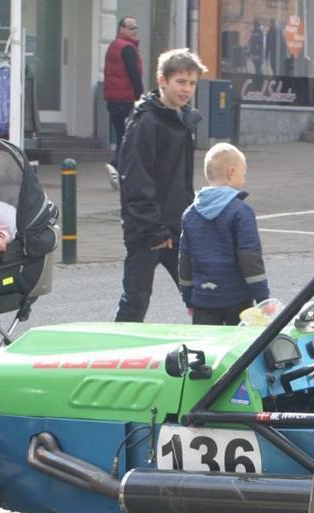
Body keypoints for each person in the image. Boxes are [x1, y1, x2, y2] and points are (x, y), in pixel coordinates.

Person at [113, 48, 206, 323]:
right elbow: (136, 179)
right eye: (180, 81)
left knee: (200, 295)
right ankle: (116, 355)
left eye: (191, 83)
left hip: (178, 226)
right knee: (135, 300)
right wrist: (154, 230)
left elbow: (179, 180)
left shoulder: (182, 120)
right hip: (148, 230)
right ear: (162, 80)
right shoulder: (146, 123)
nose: (186, 89)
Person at [178, 143, 269, 326]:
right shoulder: (242, 212)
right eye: (243, 173)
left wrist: (188, 297)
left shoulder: (190, 214)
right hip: (238, 299)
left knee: (205, 349)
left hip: (203, 299)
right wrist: (262, 299)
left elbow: (185, 261)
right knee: (239, 348)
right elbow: (250, 258)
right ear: (231, 172)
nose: (244, 178)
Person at [103, 16, 144, 190]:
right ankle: (116, 166)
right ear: (121, 29)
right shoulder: (127, 48)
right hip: (125, 100)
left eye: (136, 27)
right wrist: (140, 95)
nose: (134, 30)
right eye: (130, 27)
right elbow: (133, 74)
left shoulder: (113, 46)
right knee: (128, 137)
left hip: (113, 100)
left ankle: (119, 171)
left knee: (122, 135)